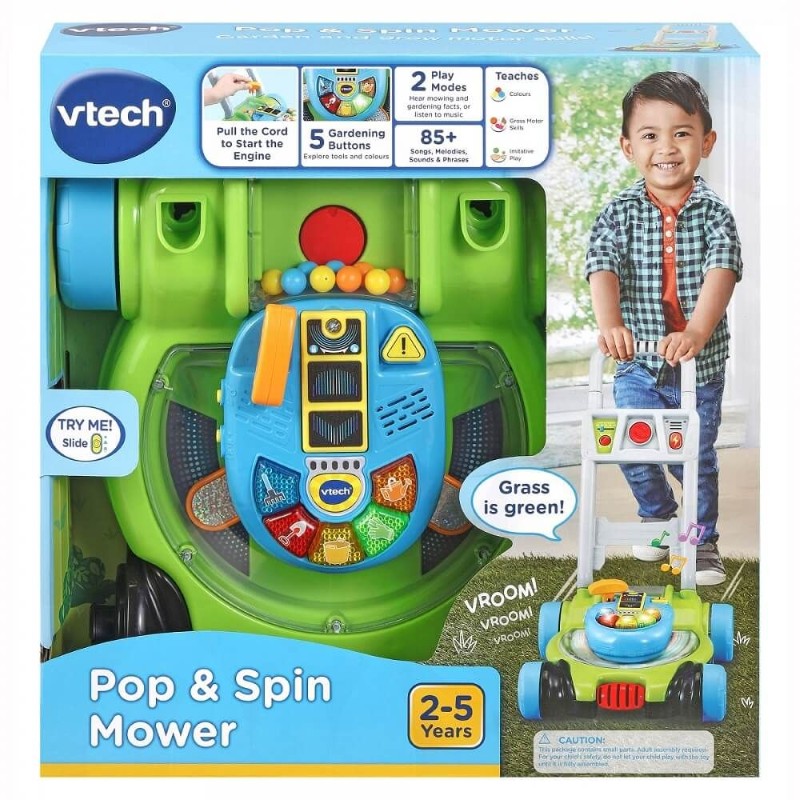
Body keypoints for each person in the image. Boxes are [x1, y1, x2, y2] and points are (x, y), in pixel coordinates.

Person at [585, 71, 743, 586]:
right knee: (632, 445)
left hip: (699, 367)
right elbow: (602, 265)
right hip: (639, 361)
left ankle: (701, 540)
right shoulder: (617, 213)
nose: (667, 147)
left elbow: (723, 271)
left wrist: (696, 332)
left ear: (706, 142)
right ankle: (658, 518)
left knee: (692, 458)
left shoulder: (716, 215)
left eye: (681, 133)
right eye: (650, 135)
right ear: (628, 146)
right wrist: (611, 323)